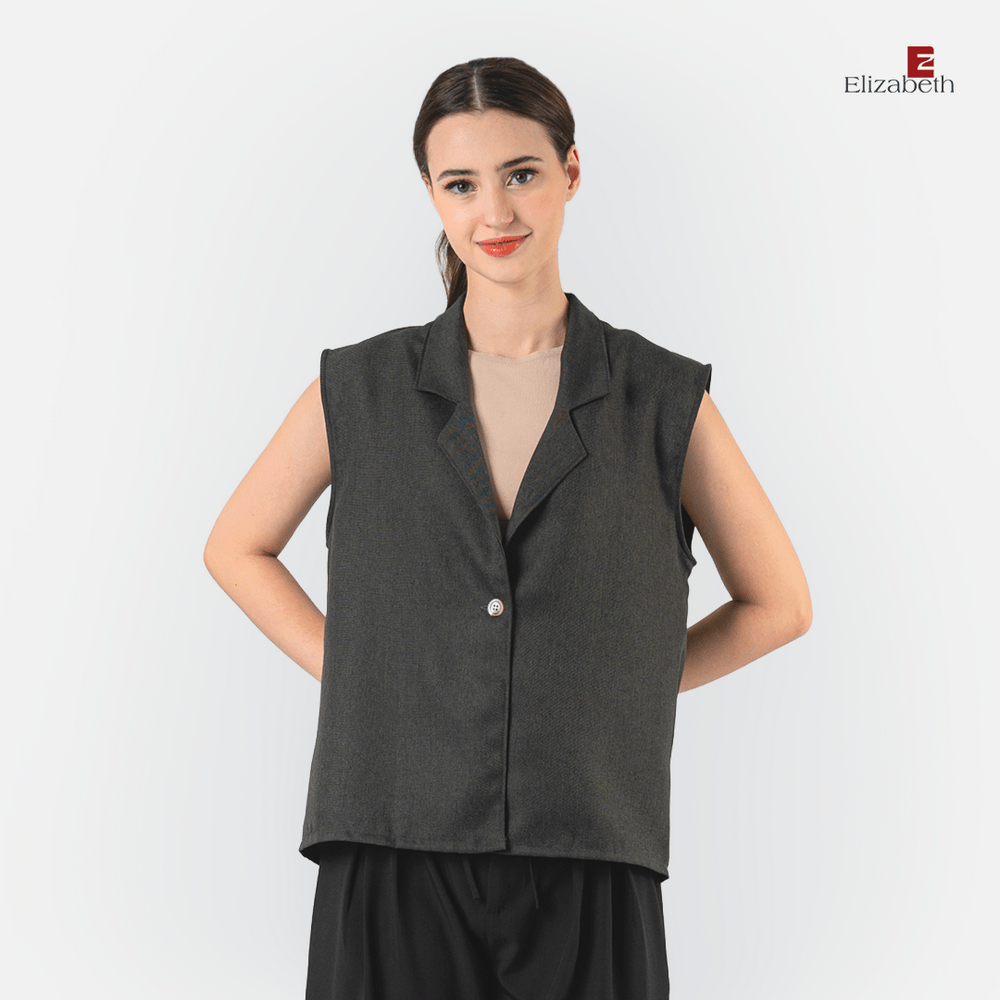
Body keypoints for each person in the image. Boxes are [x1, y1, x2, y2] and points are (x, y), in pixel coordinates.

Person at [204, 56, 811, 1000]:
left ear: (571, 172)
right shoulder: (360, 389)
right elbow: (235, 548)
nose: (495, 211)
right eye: (462, 183)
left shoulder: (660, 398)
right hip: (390, 834)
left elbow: (780, 604)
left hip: (588, 839)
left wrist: (608, 686)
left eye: (521, 173)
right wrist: (369, 673)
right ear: (432, 196)